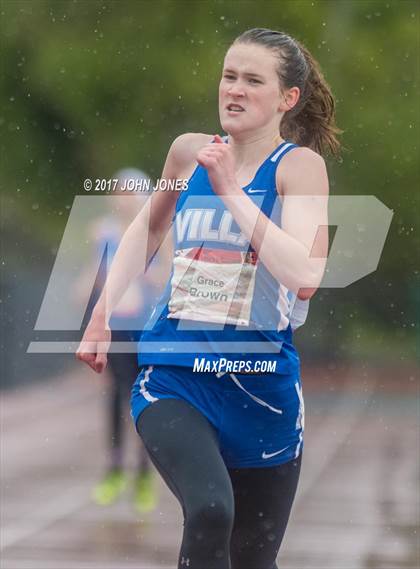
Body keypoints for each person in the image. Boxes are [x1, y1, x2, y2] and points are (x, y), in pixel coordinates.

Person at [77, 28, 340, 569]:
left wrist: (233, 194)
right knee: (211, 510)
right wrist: (102, 312)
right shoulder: (188, 153)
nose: (234, 90)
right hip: (176, 374)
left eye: (252, 80)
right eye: (228, 76)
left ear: (287, 99)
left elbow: (306, 275)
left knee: (252, 558)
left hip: (262, 387)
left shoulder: (299, 169)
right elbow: (148, 232)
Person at [80, 169, 170, 513]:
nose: (122, 199)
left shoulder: (159, 230)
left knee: (144, 398)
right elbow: (97, 273)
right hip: (116, 326)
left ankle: (145, 475)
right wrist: (87, 290)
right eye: (117, 193)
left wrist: (139, 271)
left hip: (146, 326)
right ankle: (115, 470)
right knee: (117, 394)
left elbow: (166, 274)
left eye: (128, 193)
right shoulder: (103, 232)